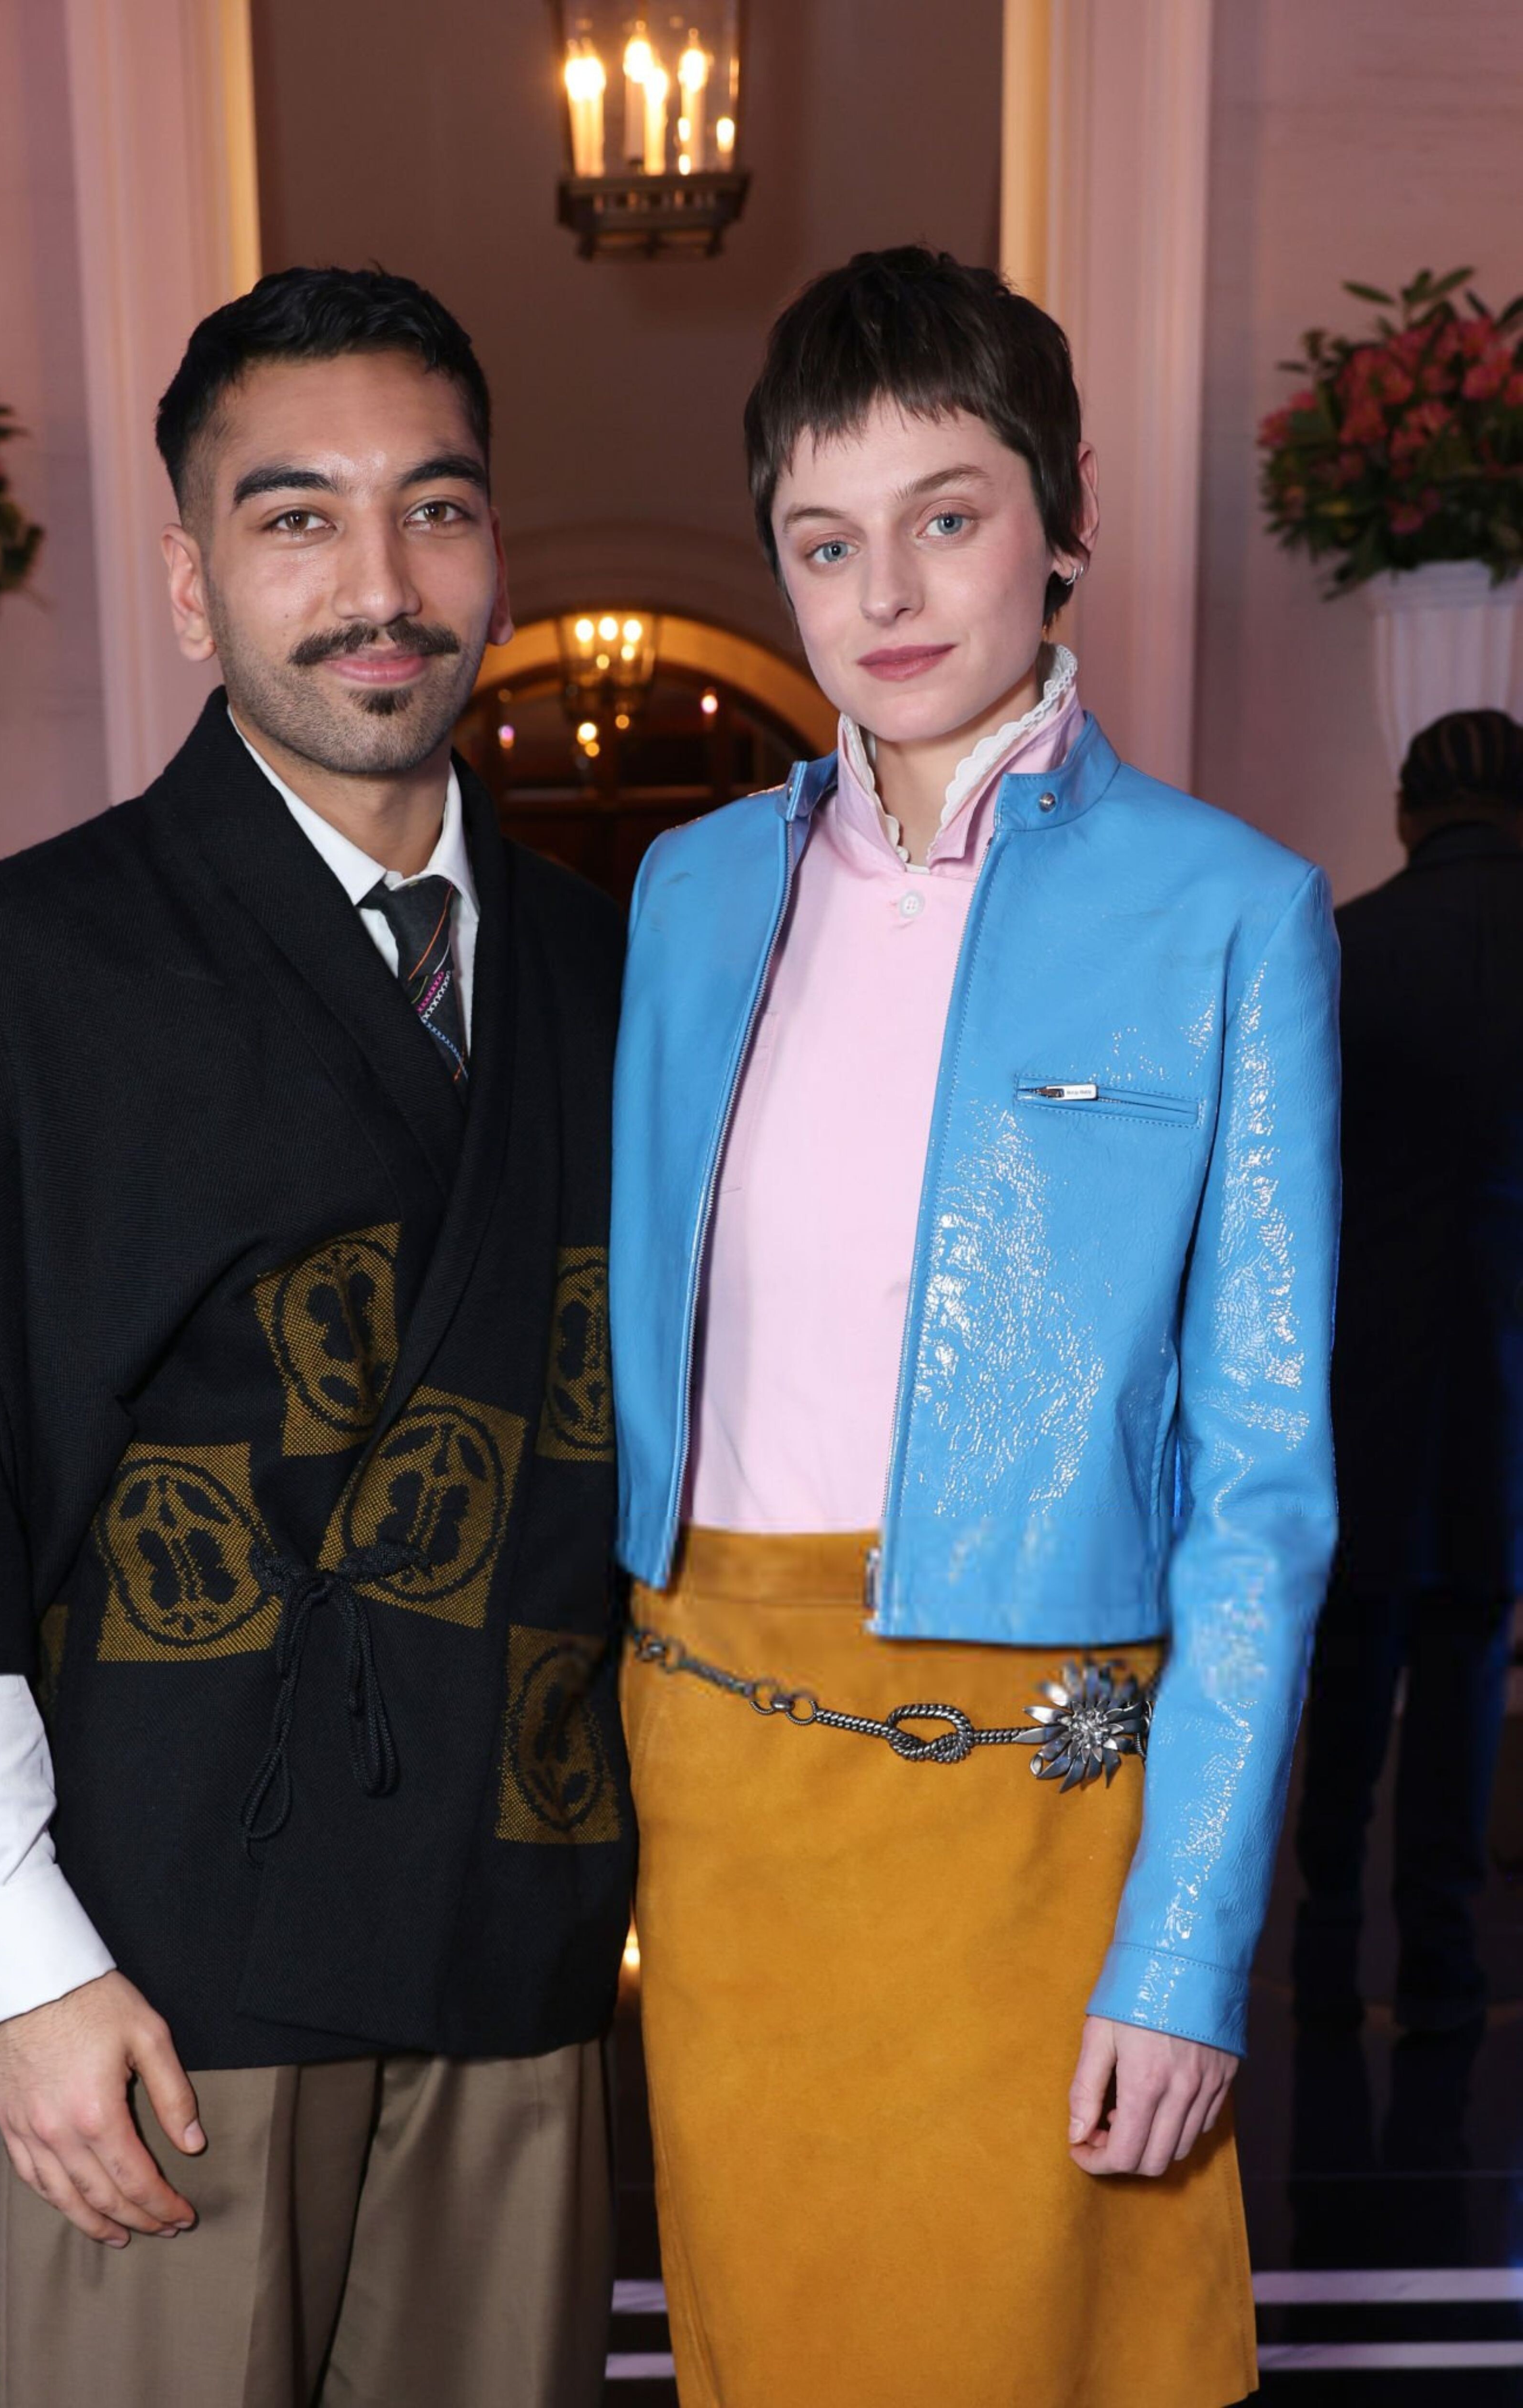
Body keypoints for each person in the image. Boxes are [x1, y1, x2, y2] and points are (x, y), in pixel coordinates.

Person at [0, 266, 632, 2408]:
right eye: (297, 519)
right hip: (165, 1975)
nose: (381, 585)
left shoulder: (611, 968)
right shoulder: (23, 977)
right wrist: (22, 1966)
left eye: (434, 509)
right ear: (192, 585)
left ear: (494, 548)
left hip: (522, 1940)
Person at [609, 246, 1341, 2407]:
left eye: (948, 513)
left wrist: (1186, 1940)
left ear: (1065, 510)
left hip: (1040, 1803)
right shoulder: (689, 894)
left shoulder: (1230, 910)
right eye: (825, 542)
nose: (890, 592)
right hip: (724, 1783)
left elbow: (1262, 1489)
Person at [1293, 708, 1523, 2035]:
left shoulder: (1345, 948)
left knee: (1350, 1640)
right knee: (1470, 1647)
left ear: (1405, 813)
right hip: (1507, 1368)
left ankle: (1323, 1928)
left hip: (1360, 1360)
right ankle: (1444, 1948)